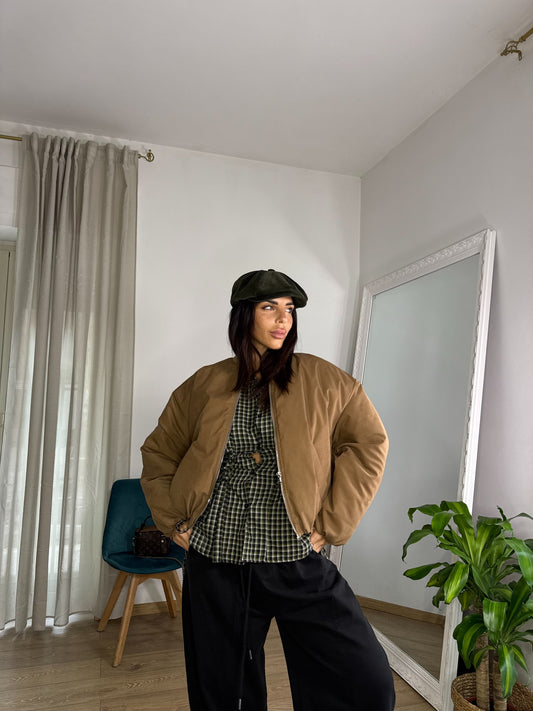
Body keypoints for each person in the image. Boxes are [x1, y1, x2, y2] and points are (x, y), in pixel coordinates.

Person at [140, 268, 395, 711]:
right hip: (217, 557)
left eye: (289, 310)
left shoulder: (324, 380)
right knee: (223, 690)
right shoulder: (203, 385)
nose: (283, 319)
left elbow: (368, 444)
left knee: (363, 679)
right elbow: (159, 454)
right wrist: (175, 523)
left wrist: (331, 525)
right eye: (269, 308)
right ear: (244, 315)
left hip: (293, 555)